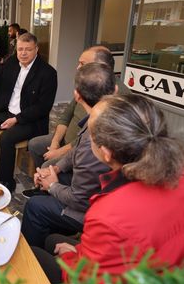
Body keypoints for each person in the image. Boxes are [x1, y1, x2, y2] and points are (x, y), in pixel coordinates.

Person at [33, 94, 184, 283]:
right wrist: (83, 252)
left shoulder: (108, 214)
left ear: (106, 153)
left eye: (90, 134)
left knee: (35, 255)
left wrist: (71, 258)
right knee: (53, 240)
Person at [21, 63, 114, 249]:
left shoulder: (96, 137)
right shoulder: (108, 115)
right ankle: (52, 228)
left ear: (77, 96)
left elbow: (79, 200)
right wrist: (55, 168)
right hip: (97, 192)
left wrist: (53, 186)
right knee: (50, 179)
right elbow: (75, 150)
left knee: (35, 207)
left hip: (94, 210)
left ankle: (34, 259)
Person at [24, 46, 130, 199]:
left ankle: (52, 192)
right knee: (35, 144)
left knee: (48, 166)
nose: (77, 67)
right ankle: (44, 187)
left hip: (82, 151)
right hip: (72, 143)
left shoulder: (120, 100)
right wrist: (55, 141)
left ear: (101, 68)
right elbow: (65, 116)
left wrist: (59, 153)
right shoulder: (87, 85)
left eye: (82, 63)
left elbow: (86, 143)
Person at [0, 33, 57, 192]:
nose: (23, 53)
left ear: (36, 49)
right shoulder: (12, 63)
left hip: (30, 120)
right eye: (20, 49)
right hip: (7, 112)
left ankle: (5, 183)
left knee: (7, 138)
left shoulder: (48, 73)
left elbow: (42, 107)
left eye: (28, 49)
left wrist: (17, 119)